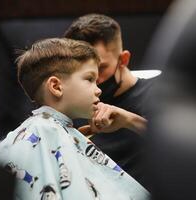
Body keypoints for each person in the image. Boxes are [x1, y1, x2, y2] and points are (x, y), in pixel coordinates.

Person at [0, 38, 149, 200]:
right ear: (56, 87)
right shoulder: (41, 132)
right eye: (89, 79)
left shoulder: (58, 134)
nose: (98, 90)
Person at [64, 13, 154, 189]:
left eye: (100, 68)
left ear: (124, 59)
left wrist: (130, 120)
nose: (94, 79)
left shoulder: (158, 94)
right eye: (84, 72)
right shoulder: (76, 110)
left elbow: (187, 150)